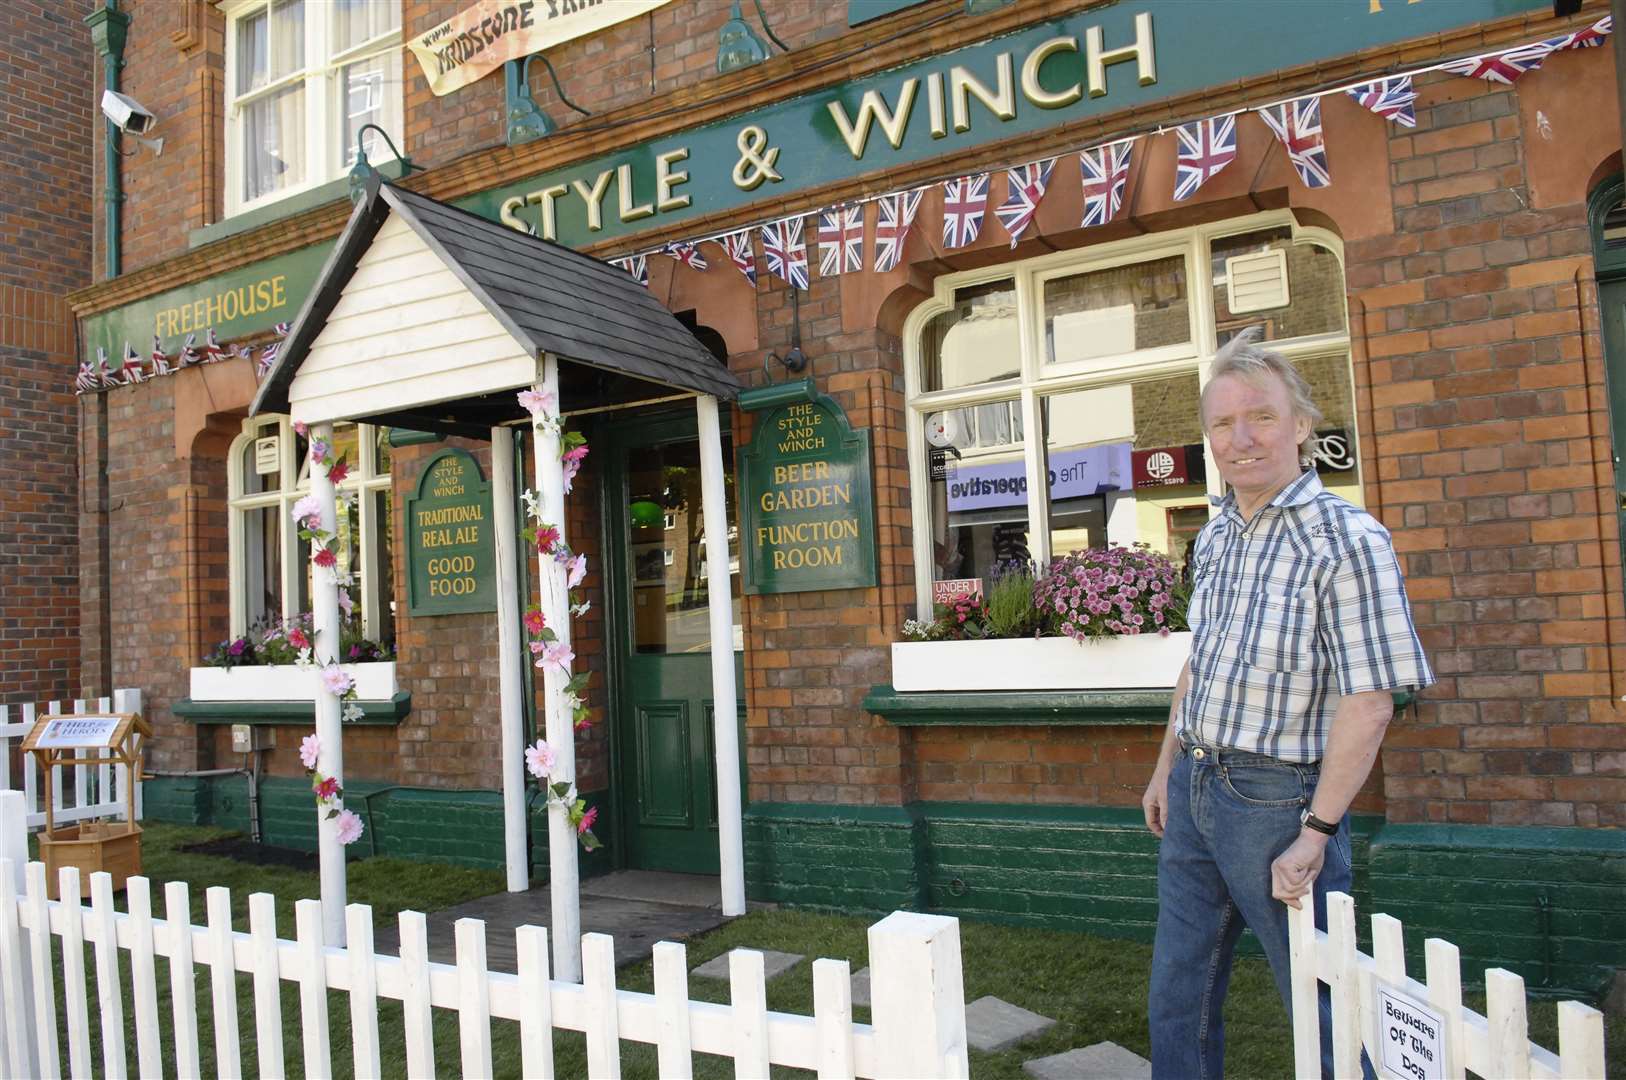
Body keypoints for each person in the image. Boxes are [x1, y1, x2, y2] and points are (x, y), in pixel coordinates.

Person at [1142, 326, 1433, 1078]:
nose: (1240, 439)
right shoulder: (1215, 536)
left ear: (1302, 424)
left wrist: (1317, 831)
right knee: (1177, 991)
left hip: (1276, 803)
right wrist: (1165, 765)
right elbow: (1200, 662)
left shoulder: (1347, 539)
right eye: (1221, 423)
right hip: (1195, 784)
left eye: (1260, 416)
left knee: (1319, 998)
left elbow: (1370, 699)